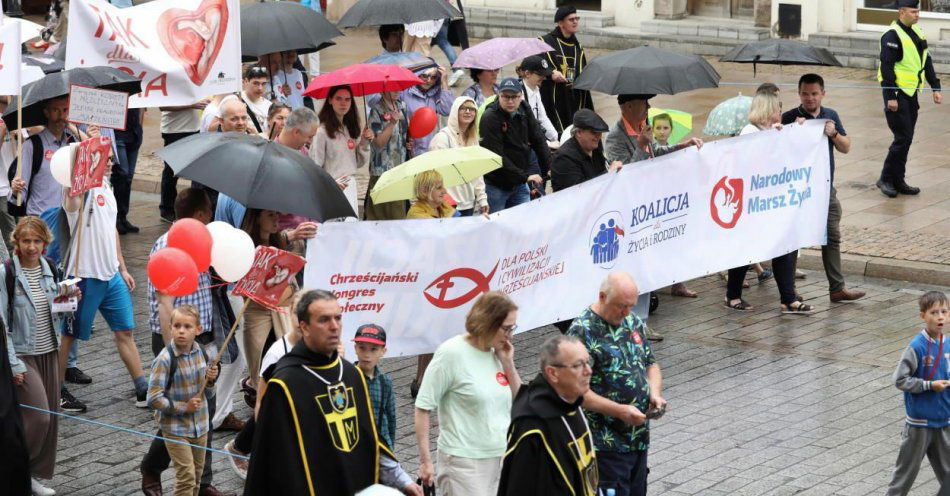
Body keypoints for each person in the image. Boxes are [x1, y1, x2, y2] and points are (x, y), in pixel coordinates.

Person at [244, 289, 422, 495]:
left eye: (338, 318)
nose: (334, 326)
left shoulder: (351, 374)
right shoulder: (285, 383)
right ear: (304, 327)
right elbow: (274, 464)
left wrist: (402, 480)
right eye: (324, 320)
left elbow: (368, 439)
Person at [141, 188, 237, 496]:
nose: (212, 217)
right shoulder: (167, 246)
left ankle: (203, 482)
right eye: (209, 212)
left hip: (203, 336)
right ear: (198, 215)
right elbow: (165, 304)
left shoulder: (202, 242)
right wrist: (176, 349)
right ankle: (152, 467)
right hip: (175, 340)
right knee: (180, 413)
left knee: (201, 411)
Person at [58, 154, 146, 413]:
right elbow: (71, 202)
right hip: (82, 277)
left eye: (110, 158)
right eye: (103, 158)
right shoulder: (76, 192)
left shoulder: (107, 187)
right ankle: (57, 390)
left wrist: (123, 267)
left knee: (125, 331)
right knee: (68, 335)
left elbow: (112, 230)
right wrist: (83, 159)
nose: (110, 162)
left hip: (111, 277)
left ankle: (142, 387)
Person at [566, 272, 666, 496]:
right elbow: (576, 392)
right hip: (604, 444)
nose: (627, 312)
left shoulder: (632, 321)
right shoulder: (582, 331)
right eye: (621, 306)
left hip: (637, 439)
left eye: (631, 305)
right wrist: (620, 411)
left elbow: (651, 365)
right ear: (602, 297)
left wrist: (655, 393)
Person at [415, 291, 522, 495]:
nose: (511, 335)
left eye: (512, 328)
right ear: (487, 322)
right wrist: (425, 462)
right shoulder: (451, 353)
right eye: (506, 329)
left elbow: (521, 400)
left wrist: (508, 363)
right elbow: (423, 407)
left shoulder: (498, 352)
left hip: (502, 457)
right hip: (464, 465)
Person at [2, 217, 76, 496]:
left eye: (37, 241)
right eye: (26, 241)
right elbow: (2, 325)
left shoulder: (51, 271)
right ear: (17, 243)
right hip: (23, 355)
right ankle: (16, 471)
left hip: (50, 353)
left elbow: (58, 316)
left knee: (50, 416)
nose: (31, 247)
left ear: (45, 244)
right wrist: (12, 362)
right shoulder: (6, 273)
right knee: (40, 417)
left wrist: (69, 300)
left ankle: (31, 476)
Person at [781, 73, 866, 304]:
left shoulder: (831, 116)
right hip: (799, 189)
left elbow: (846, 147)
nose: (810, 98)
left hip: (826, 188)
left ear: (823, 94)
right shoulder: (789, 117)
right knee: (794, 238)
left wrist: (834, 134)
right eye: (805, 94)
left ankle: (837, 289)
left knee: (832, 236)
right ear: (799, 94)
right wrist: (794, 133)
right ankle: (789, 292)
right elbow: (779, 151)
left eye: (815, 93)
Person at [724, 92, 812, 315]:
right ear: (766, 110)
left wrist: (794, 133)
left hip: (772, 202)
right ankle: (732, 295)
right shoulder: (750, 132)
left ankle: (788, 297)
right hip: (752, 203)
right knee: (746, 249)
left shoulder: (772, 131)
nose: (780, 114)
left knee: (785, 245)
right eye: (776, 109)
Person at [497, 335, 598, 496]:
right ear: (552, 373)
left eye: (588, 362)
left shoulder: (570, 401)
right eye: (578, 365)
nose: (588, 371)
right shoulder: (532, 426)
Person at [146, 305, 220, 496]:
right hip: (175, 428)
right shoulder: (165, 359)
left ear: (198, 329)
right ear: (170, 328)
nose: (181, 331)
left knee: (196, 477)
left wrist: (210, 381)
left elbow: (209, 395)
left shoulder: (203, 353)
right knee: (186, 478)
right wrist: (183, 407)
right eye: (177, 326)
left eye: (187, 326)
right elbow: (153, 398)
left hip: (200, 426)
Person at [887, 290, 950, 496]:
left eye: (944, 311)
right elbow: (900, 380)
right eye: (934, 312)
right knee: (903, 478)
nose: (940, 317)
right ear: (923, 316)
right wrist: (929, 386)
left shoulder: (948, 344)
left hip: (943, 422)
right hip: (919, 425)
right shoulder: (917, 347)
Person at [877, 0, 941, 198]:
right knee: (902, 137)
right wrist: (890, 96)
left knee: (907, 138)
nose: (917, 14)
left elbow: (926, 60)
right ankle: (886, 179)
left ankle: (898, 179)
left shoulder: (917, 32)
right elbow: (886, 67)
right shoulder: (891, 36)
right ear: (902, 12)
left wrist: (935, 86)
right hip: (897, 94)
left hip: (912, 92)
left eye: (918, 11)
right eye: (913, 11)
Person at [239, 209, 297, 390]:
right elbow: (247, 290)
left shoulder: (278, 243)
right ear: (257, 218)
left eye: (277, 214)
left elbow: (292, 285)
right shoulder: (246, 247)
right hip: (256, 316)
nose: (276, 219)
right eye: (270, 215)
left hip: (280, 314)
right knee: (260, 367)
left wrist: (281, 295)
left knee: (283, 363)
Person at [479, 77, 551, 213]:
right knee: (496, 226)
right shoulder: (490, 118)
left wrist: (549, 165)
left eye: (514, 97)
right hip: (497, 184)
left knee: (523, 221)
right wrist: (525, 177)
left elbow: (538, 138)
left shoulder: (524, 108)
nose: (510, 101)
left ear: (521, 96)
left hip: (519, 182)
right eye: (506, 97)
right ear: (498, 95)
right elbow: (496, 156)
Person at [310, 85, 373, 216]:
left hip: (351, 186)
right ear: (330, 100)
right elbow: (315, 166)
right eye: (338, 99)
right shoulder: (321, 131)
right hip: (332, 188)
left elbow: (358, 163)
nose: (343, 103)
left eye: (347, 99)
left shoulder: (349, 128)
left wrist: (364, 142)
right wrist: (331, 185)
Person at [9, 96, 77, 217]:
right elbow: (20, 191)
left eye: (65, 110)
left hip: (67, 221)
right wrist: (15, 192)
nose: (61, 116)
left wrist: (71, 126)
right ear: (46, 112)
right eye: (56, 110)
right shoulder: (32, 145)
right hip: (40, 221)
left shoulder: (72, 143)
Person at [538, 6, 594, 135]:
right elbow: (531, 64)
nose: (575, 22)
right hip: (553, 97)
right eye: (571, 19)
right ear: (560, 23)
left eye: (576, 18)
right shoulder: (544, 42)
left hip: (573, 98)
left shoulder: (578, 47)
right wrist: (550, 73)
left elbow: (582, 71)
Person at [430, 96, 488, 216]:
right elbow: (434, 174)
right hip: (447, 204)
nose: (468, 112)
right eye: (463, 108)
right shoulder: (442, 138)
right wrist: (443, 200)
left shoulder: (473, 140)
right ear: (455, 111)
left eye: (471, 109)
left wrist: (482, 199)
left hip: (468, 203)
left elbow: (477, 172)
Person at [604, 94, 702, 165]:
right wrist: (641, 146)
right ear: (629, 106)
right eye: (644, 102)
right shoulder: (614, 139)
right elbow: (625, 178)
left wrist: (684, 145)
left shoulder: (644, 124)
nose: (649, 106)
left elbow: (656, 152)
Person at [159, 100, 208, 223]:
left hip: (195, 129)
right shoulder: (171, 81)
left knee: (195, 171)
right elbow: (163, 105)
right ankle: (167, 209)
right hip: (174, 130)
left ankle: (192, 209)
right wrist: (191, 105)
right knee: (171, 171)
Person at [365, 90, 410, 221]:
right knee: (380, 217)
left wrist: (408, 143)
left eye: (398, 87)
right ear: (383, 89)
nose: (397, 91)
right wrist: (391, 124)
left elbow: (404, 134)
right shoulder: (377, 110)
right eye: (392, 87)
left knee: (399, 215)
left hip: (400, 169)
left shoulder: (402, 106)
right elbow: (379, 143)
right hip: (382, 171)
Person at [550, 108, 621, 192]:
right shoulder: (563, 158)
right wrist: (609, 173)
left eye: (600, 132)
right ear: (579, 132)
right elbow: (579, 192)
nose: (598, 137)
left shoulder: (594, 148)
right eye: (594, 132)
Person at [354, 324, 397, 450]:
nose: (367, 354)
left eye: (373, 349)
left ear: (383, 351)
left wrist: (390, 448)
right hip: (357, 445)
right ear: (355, 348)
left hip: (380, 444)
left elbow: (391, 417)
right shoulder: (348, 378)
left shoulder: (385, 382)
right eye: (362, 348)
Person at [402, 66, 455, 157]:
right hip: (410, 150)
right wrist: (403, 140)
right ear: (417, 75)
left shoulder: (437, 93)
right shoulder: (405, 92)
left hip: (432, 149)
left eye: (433, 77)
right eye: (425, 76)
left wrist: (444, 83)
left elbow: (448, 110)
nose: (429, 80)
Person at [112, 107, 143, 235]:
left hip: (134, 133)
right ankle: (116, 217)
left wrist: (140, 127)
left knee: (128, 176)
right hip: (118, 133)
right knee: (122, 174)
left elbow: (141, 108)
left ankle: (123, 217)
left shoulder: (136, 88)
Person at [519, 55, 559, 145]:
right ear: (527, 73)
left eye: (545, 75)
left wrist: (556, 138)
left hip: (535, 139)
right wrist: (547, 143)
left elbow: (542, 118)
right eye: (540, 74)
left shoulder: (536, 90)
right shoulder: (518, 94)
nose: (544, 78)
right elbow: (523, 126)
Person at [240, 66, 273, 136]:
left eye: (263, 84)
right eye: (256, 83)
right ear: (246, 81)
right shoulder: (236, 101)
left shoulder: (270, 106)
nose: (260, 88)